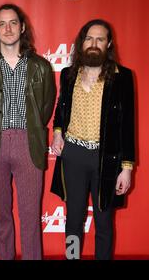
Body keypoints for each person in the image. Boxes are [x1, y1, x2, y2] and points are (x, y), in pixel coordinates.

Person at [0, 3, 56, 260]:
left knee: (30, 214)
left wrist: (29, 129)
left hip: (28, 143)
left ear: (22, 27)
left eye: (13, 23)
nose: (8, 28)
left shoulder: (41, 66)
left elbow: (45, 107)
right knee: (1, 212)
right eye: (1, 23)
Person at [50, 19, 135, 260]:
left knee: (104, 222)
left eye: (100, 39)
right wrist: (57, 132)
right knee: (73, 221)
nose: (94, 43)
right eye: (89, 38)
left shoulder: (123, 77)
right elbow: (61, 109)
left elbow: (128, 124)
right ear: (82, 43)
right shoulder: (68, 74)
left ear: (108, 44)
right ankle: (73, 258)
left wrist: (126, 168)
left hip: (106, 159)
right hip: (74, 155)